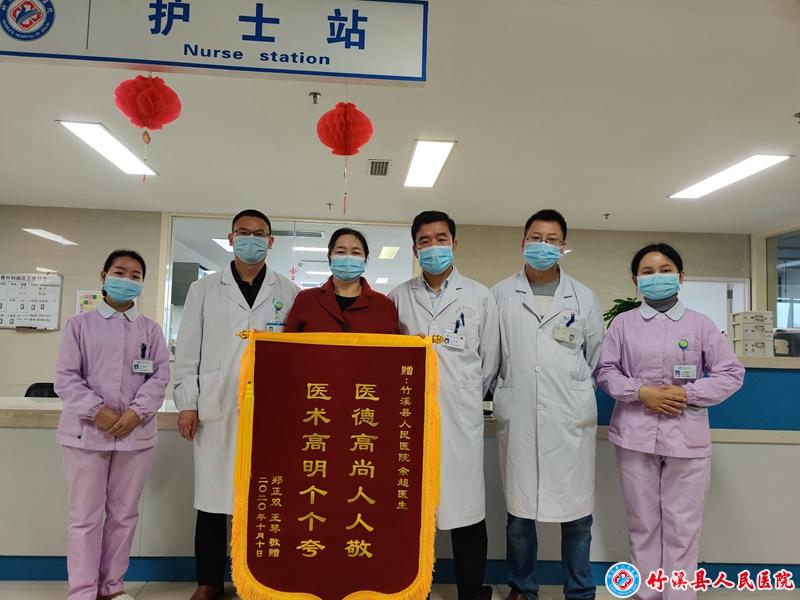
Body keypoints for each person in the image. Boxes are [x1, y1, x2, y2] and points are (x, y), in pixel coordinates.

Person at [594, 243, 744, 600]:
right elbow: (605, 371)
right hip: (635, 435)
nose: (656, 277)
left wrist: (688, 394)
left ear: (681, 276)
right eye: (647, 272)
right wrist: (640, 392)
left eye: (665, 270)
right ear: (635, 280)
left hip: (686, 438)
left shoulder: (701, 324)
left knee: (683, 529)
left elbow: (731, 373)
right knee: (642, 525)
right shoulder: (623, 324)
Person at [173, 209, 299, 600]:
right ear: (230, 238)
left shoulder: (289, 292)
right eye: (243, 233)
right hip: (217, 405)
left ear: (271, 242)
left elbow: (297, 355)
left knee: (262, 498)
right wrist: (187, 403)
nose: (251, 240)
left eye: (259, 234)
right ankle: (208, 582)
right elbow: (188, 350)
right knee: (212, 500)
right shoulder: (204, 290)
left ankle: (259, 580)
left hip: (270, 408)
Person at [491, 209, 604, 600]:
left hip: (568, 419)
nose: (543, 245)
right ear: (522, 243)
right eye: (536, 238)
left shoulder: (583, 297)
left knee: (577, 518)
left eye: (552, 239)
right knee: (520, 517)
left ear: (563, 246)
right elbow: (492, 358)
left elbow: (596, 358)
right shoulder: (500, 295)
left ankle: (580, 590)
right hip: (520, 415)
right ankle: (523, 588)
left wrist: (571, 391)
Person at [389, 210, 500, 600]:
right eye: (425, 241)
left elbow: (489, 362)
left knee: (465, 510)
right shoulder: (399, 297)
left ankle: (471, 591)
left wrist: (463, 392)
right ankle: (410, 587)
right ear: (414, 249)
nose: (433, 247)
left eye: (441, 239)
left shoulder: (479, 296)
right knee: (410, 508)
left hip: (459, 416)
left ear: (454, 244)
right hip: (410, 418)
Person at [55, 249, 170, 600]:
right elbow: (66, 378)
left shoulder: (150, 329)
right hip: (87, 434)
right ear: (104, 277)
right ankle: (82, 591)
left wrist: (136, 412)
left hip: (135, 435)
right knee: (85, 518)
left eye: (136, 276)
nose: (127, 280)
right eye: (120, 272)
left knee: (124, 516)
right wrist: (98, 412)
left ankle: (111, 588)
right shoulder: (79, 325)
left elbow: (159, 378)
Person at [284, 227, 399, 333]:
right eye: (340, 252)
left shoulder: (384, 305)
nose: (348, 258)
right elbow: (288, 344)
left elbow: (393, 347)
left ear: (365, 258)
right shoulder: (306, 299)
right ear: (329, 257)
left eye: (356, 253)